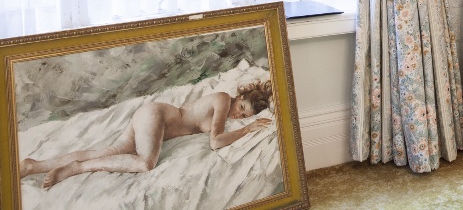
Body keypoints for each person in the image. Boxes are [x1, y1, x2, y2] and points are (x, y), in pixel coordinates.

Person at [19, 79, 273, 189]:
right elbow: (216, 142)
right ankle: (76, 168)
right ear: (239, 97)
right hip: (158, 116)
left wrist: (243, 126)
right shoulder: (222, 100)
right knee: (145, 163)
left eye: (244, 116)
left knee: (110, 152)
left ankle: (34, 166)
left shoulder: (229, 112)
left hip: (153, 120)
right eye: (242, 108)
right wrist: (248, 129)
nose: (238, 116)